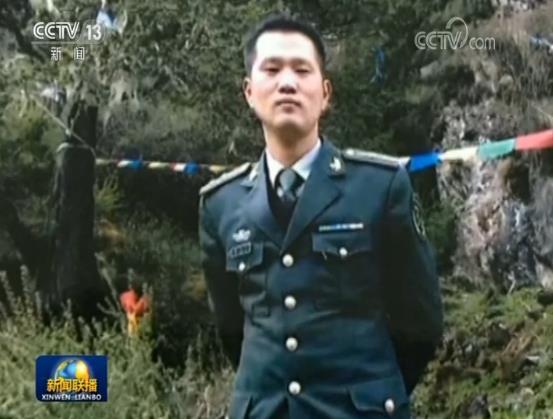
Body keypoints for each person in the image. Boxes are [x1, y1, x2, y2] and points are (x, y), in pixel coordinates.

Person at [198, 14, 444, 419]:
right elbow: (232, 328)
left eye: (302, 70)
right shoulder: (221, 204)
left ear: (325, 93)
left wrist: (373, 392)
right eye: (272, 69)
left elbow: (421, 323)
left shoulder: (380, 186)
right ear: (249, 92)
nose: (287, 83)